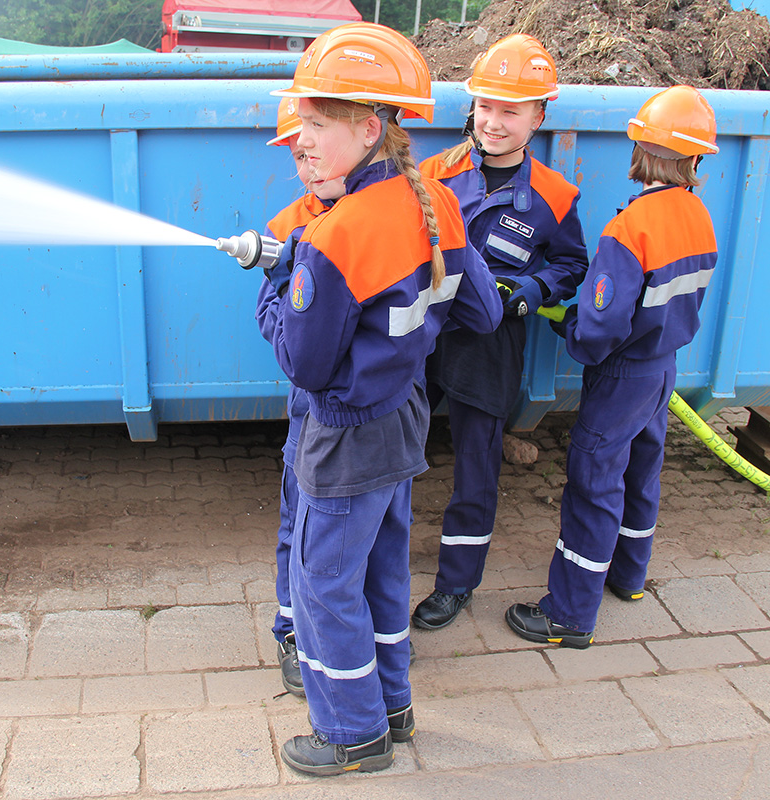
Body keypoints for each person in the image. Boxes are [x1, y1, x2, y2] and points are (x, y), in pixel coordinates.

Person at [257, 22, 503, 776]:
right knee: (383, 572)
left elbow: (303, 364)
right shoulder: (434, 202)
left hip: (345, 435)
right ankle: (393, 707)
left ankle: (353, 734)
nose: (301, 139)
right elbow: (483, 312)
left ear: (370, 129)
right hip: (402, 421)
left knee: (323, 584)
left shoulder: (333, 238)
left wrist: (276, 284)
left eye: (317, 123)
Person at [505, 85, 720, 649]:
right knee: (641, 473)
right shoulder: (698, 216)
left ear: (639, 151)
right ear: (695, 160)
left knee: (594, 483)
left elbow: (600, 329)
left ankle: (569, 615)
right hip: (661, 370)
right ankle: (628, 576)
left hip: (622, 376)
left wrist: (569, 326)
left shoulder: (630, 228)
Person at [412, 34, 589, 631]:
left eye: (510, 110)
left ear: (539, 116)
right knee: (393, 449)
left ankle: (456, 583)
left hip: (490, 345)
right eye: (485, 105)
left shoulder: (555, 197)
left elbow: (571, 265)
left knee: (476, 466)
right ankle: (375, 561)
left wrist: (532, 290)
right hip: (424, 333)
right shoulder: (433, 174)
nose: (493, 121)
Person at [256, 97, 346, 697]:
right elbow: (269, 320)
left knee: (358, 528)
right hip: (312, 404)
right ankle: (292, 628)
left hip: (367, 405)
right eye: (296, 152)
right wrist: (286, 293)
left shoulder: (374, 214)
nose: (307, 160)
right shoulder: (287, 225)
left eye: (314, 142)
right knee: (300, 516)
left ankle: (357, 632)